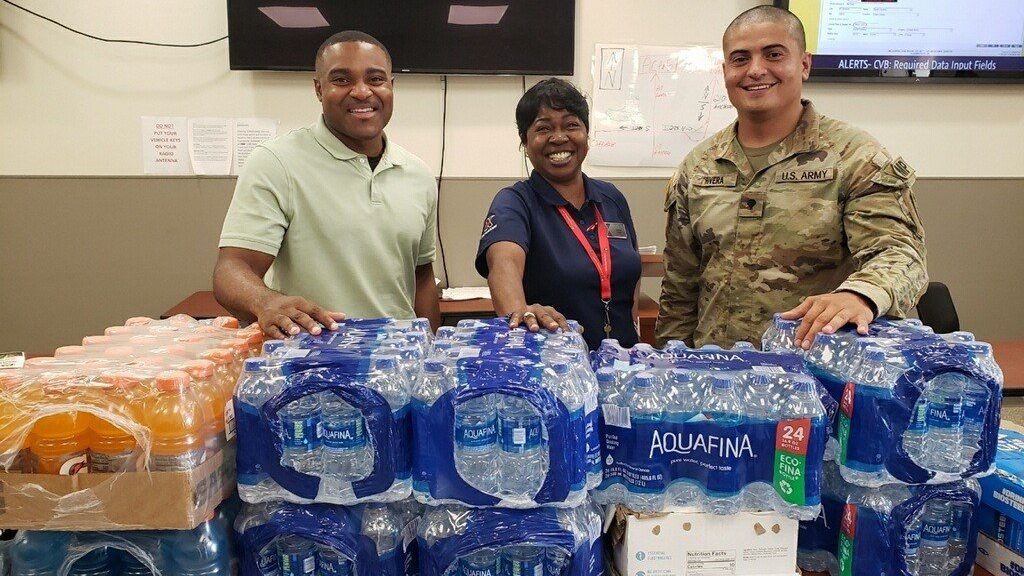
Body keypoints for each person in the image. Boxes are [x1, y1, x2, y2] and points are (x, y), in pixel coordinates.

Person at [656, 6, 927, 350]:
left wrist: (860, 294)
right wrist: (674, 363)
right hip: (718, 377)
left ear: (804, 64)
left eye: (773, 55)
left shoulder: (854, 157)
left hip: (815, 375)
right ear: (725, 72)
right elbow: (680, 289)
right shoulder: (699, 166)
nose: (755, 70)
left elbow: (899, 255)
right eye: (740, 59)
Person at [214, 31, 440, 339]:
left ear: (390, 86)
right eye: (342, 80)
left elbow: (422, 277)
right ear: (319, 89)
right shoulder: (276, 162)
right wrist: (266, 301)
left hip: (396, 367)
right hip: (312, 366)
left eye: (375, 79)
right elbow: (232, 268)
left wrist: (430, 351)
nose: (362, 92)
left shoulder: (419, 175)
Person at [476, 78, 642, 351]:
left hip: (621, 367)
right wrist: (521, 313)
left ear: (587, 135)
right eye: (543, 128)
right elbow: (503, 265)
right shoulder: (514, 202)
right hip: (556, 372)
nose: (559, 137)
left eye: (571, 125)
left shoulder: (612, 198)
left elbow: (629, 274)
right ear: (525, 143)